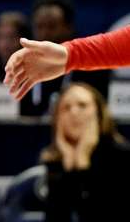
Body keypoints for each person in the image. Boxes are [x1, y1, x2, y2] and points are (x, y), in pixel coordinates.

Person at [40, 84, 130, 221]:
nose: (74, 112)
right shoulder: (55, 161)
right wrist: (70, 167)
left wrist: (82, 163)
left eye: (82, 105)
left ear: (99, 114)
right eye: (66, 108)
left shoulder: (121, 155)